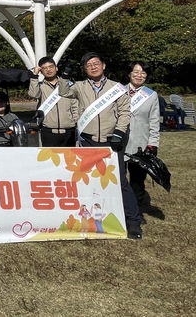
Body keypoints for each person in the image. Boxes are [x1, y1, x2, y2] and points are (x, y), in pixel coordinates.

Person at [58, 52, 143, 239]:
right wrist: (64, 76)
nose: (93, 66)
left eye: (96, 63)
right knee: (88, 182)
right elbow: (63, 92)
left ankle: (133, 222)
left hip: (112, 141)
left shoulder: (117, 87)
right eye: (89, 65)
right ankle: (89, 219)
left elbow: (124, 112)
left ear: (103, 65)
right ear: (85, 69)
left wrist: (119, 133)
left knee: (120, 181)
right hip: (88, 141)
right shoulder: (79, 87)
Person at [124, 62, 160, 214]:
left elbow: (154, 121)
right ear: (129, 73)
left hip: (140, 143)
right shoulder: (117, 91)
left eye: (143, 73)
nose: (139, 75)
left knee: (137, 180)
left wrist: (153, 144)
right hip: (120, 142)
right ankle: (121, 207)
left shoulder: (151, 95)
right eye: (136, 71)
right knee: (118, 178)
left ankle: (135, 210)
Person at [29, 56, 78, 146]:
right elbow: (33, 94)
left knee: (68, 159)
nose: (48, 70)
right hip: (48, 131)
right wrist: (34, 76)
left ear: (56, 68)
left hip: (69, 130)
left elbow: (75, 105)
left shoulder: (68, 84)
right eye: (44, 68)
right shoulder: (40, 86)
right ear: (41, 71)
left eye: (51, 67)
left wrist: (74, 121)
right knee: (49, 159)